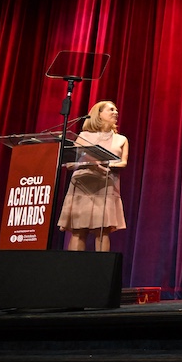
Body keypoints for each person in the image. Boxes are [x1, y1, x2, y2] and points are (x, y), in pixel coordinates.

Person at [57, 100, 129, 252]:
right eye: (111, 110)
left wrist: (104, 164)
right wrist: (88, 164)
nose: (116, 112)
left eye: (116, 110)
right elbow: (71, 163)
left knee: (102, 230)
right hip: (82, 184)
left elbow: (123, 163)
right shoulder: (84, 136)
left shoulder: (121, 139)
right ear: (99, 114)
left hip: (105, 185)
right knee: (78, 230)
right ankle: (73, 265)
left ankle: (101, 267)